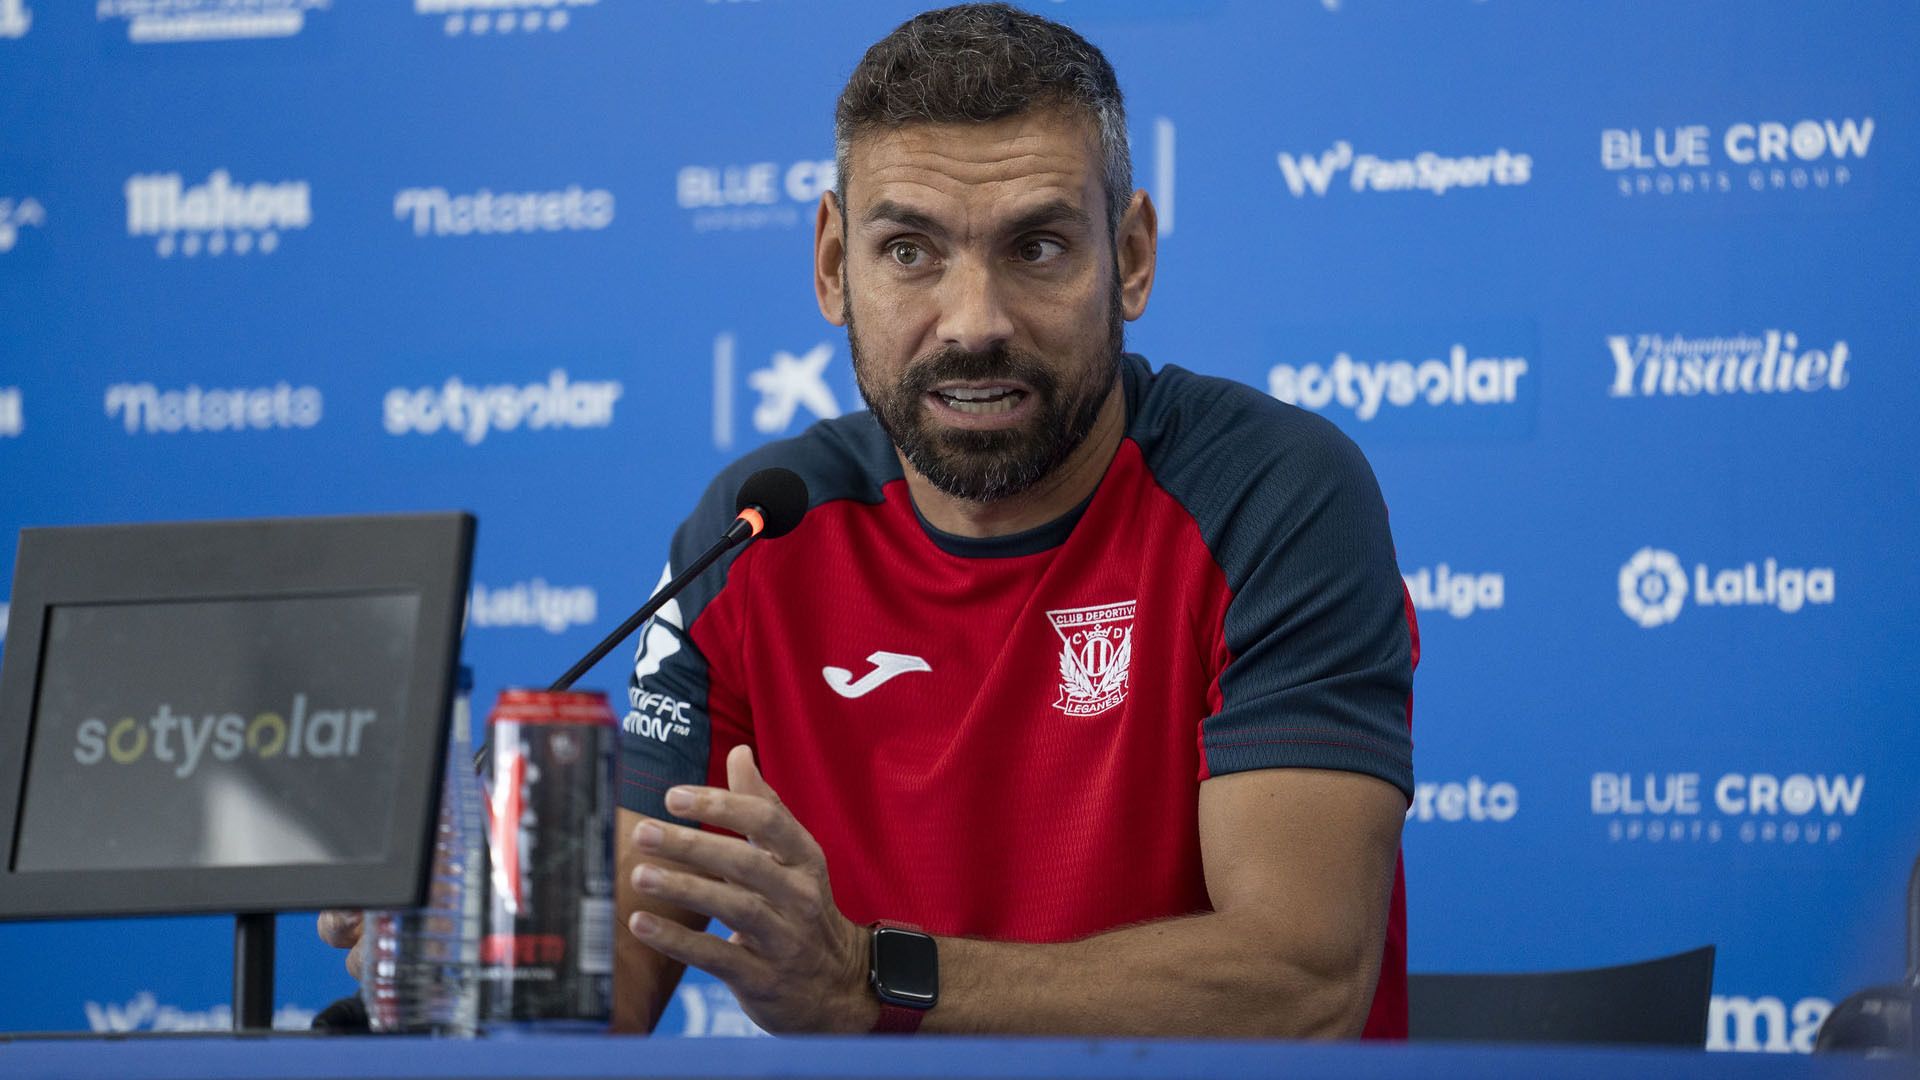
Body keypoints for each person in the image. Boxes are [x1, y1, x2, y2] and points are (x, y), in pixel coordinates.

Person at [325, 2, 1416, 1040]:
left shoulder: (1271, 494)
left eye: (1037, 247)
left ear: (1129, 260)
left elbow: (1301, 981)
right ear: (833, 265)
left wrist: (868, 980)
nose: (974, 323)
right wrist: (452, 946)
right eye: (910, 251)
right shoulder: (756, 532)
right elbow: (602, 990)